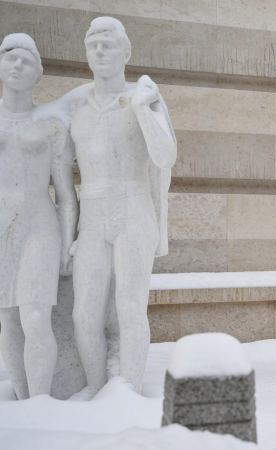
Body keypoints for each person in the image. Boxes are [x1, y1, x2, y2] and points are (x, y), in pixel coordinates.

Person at [70, 17, 176, 395]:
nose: (99, 51)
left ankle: (126, 393)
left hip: (133, 209)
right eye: (92, 44)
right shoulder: (76, 106)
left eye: (108, 44)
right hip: (93, 215)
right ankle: (97, 391)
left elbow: (165, 157)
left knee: (130, 307)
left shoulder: (143, 96)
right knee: (84, 314)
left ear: (126, 52)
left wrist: (145, 108)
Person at [0, 34, 78, 399]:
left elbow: (65, 194)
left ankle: (40, 403)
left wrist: (66, 243)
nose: (17, 66)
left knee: (35, 316)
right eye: (10, 57)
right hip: (2, 226)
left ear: (39, 72)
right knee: (8, 322)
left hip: (39, 227)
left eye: (26, 61)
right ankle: (19, 398)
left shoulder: (51, 126)